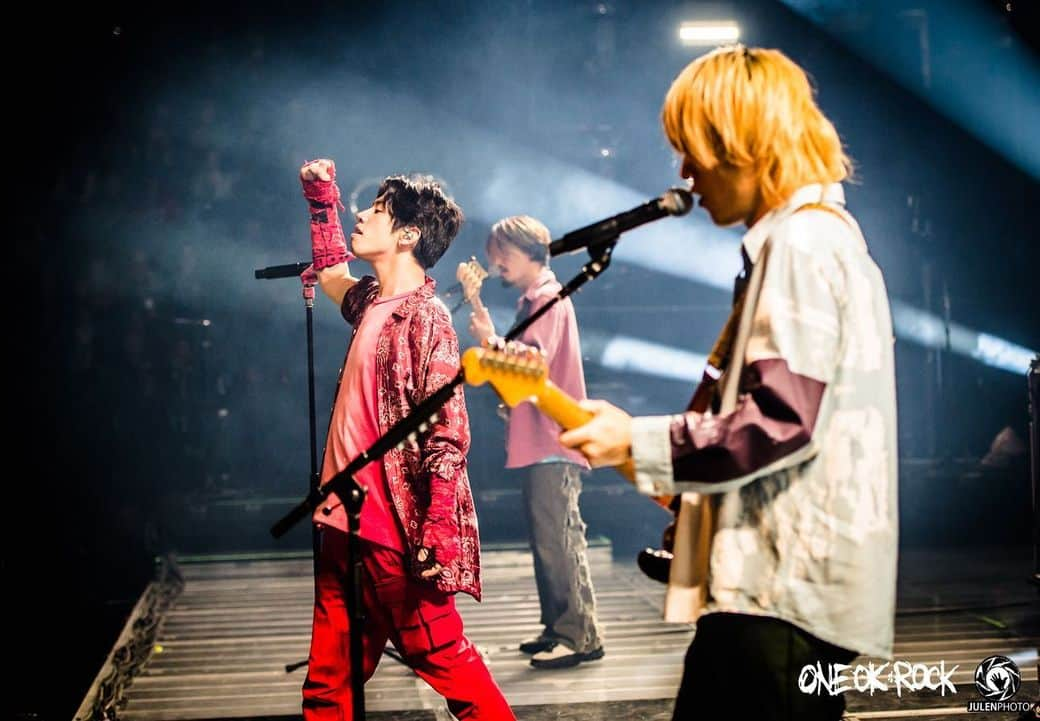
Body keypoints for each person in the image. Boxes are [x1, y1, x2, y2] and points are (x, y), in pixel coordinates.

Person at [558, 46, 898, 721]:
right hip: (796, 600)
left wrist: (640, 438)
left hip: (774, 602)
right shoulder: (828, 241)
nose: (684, 171)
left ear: (742, 142)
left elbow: (781, 416)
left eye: (694, 149)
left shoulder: (801, 246)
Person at [297, 158, 515, 721]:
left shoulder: (428, 319)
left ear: (408, 234)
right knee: (328, 683)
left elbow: (449, 433)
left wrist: (438, 526)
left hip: (393, 532)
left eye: (376, 210)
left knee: (448, 661)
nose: (361, 215)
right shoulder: (372, 302)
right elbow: (329, 274)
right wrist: (322, 201)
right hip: (342, 524)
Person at [460, 216, 604, 669]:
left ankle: (577, 634)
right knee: (548, 538)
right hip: (539, 436)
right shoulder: (534, 299)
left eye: (503, 252)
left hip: (552, 439)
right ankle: (558, 626)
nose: (494, 261)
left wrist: (487, 340)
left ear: (530, 252)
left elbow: (530, 367)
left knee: (558, 538)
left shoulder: (547, 298)